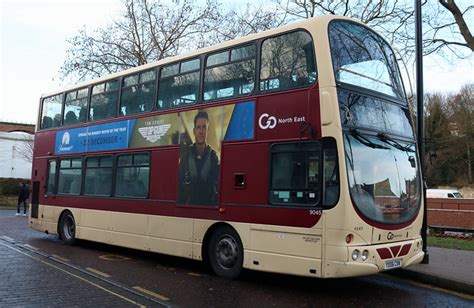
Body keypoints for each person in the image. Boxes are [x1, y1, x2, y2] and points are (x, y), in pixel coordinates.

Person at [178, 111, 219, 205]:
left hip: (207, 210)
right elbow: (179, 186)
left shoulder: (213, 157)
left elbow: (217, 187)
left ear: (208, 131)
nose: (201, 131)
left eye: (204, 127)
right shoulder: (186, 156)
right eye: (198, 127)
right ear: (194, 131)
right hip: (188, 209)